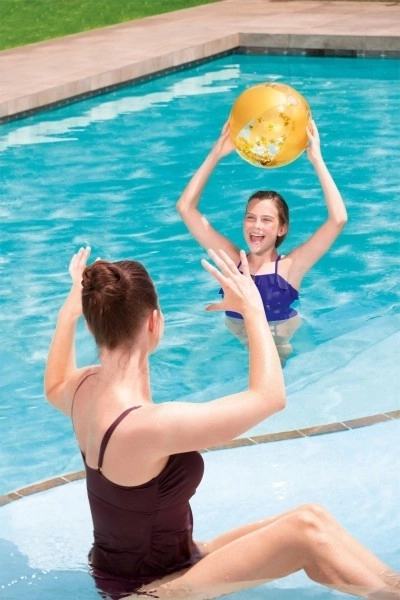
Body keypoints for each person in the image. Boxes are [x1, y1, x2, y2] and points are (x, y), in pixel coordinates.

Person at [44, 245, 399, 600]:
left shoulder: (82, 389)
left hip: (160, 565)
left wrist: (67, 313)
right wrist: (253, 310)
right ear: (154, 321)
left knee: (313, 516)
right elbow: (270, 397)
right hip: (147, 591)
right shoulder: (148, 426)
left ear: (91, 323)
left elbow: (54, 384)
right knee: (304, 533)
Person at [176, 119, 348, 362]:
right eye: (251, 217)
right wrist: (216, 153)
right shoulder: (233, 262)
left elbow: (338, 219)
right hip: (236, 343)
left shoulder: (290, 267)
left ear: (281, 228)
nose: (256, 226)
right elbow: (185, 208)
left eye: (267, 220)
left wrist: (318, 160)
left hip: (279, 348)